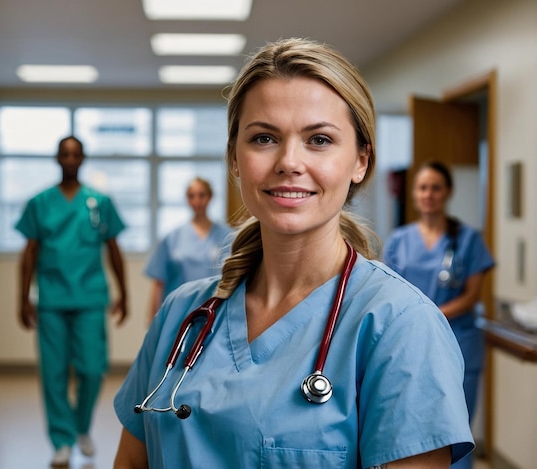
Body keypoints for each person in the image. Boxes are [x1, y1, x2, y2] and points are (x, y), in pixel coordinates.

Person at [113, 38, 475, 468]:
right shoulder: (181, 314)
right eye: (264, 137)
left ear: (361, 161)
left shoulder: (401, 326)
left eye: (319, 139)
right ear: (234, 158)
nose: (289, 161)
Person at [16, 136, 129, 467]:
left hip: (90, 297)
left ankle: (81, 428)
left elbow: (113, 248)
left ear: (83, 159)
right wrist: (22, 298)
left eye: (75, 154)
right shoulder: (40, 202)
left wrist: (125, 293)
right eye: (64, 154)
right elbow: (29, 253)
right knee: (53, 373)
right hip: (51, 299)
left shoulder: (99, 202)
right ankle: (61, 439)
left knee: (93, 369)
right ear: (57, 158)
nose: (69, 159)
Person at [384, 160, 495, 469]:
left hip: (460, 343)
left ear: (447, 192)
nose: (428, 194)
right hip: (413, 346)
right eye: (422, 187)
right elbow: (389, 292)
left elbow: (472, 295)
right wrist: (421, 319)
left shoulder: (468, 239)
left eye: (435, 187)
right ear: (414, 194)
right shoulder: (400, 240)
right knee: (414, 430)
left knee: (456, 432)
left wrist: (430, 314)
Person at [144, 177, 232, 321]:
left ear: (210, 197)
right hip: (179, 312)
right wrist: (153, 321)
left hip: (216, 311)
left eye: (202, 195)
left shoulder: (227, 237)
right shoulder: (172, 238)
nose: (197, 201)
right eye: (192, 196)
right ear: (187, 199)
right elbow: (159, 283)